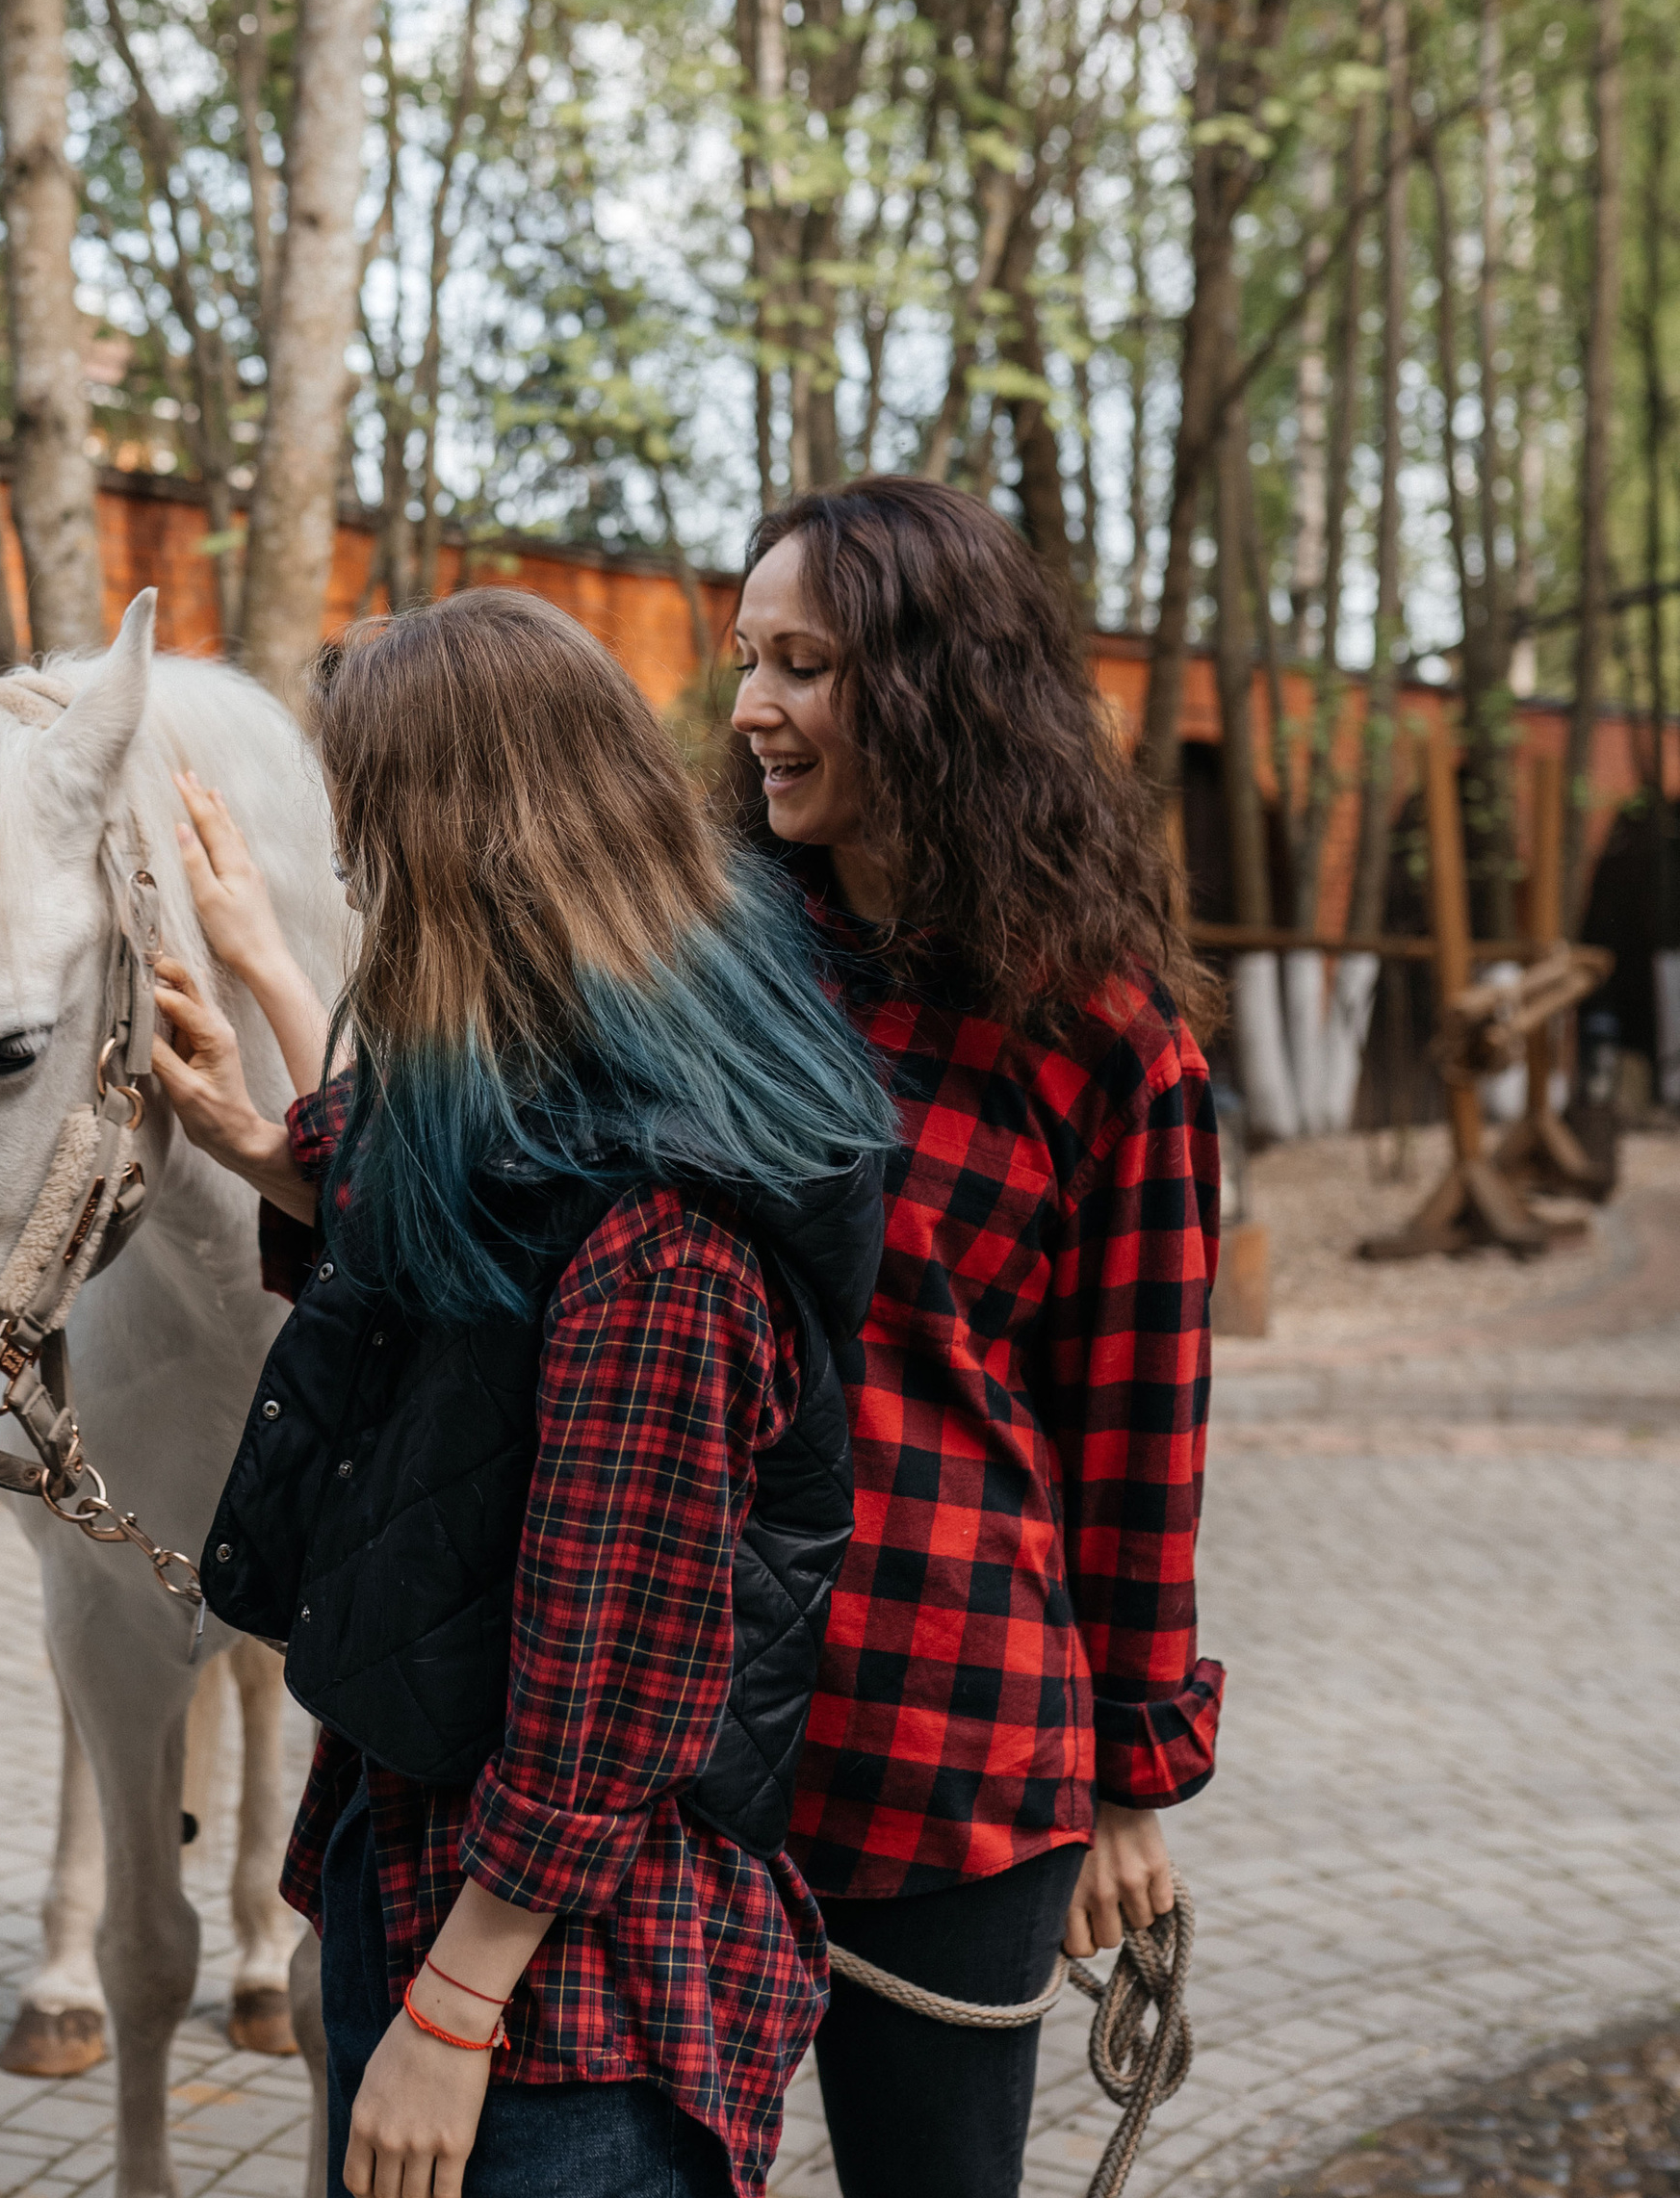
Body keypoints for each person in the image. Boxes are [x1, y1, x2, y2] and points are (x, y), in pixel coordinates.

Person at [143, 589, 892, 2198]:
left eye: (370, 838)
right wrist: (267, 1146)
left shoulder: (662, 1242)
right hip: (445, 1888)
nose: (357, 884)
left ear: (469, 856)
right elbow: (473, 1213)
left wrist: (455, 2006)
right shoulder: (566, 1102)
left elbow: (612, 1678)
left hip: (567, 2004)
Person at [728, 478, 1225, 2198]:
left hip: (942, 1742)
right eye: (747, 659)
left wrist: (1130, 1780)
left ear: (937, 689)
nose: (752, 708)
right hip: (677, 1716)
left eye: (803, 665)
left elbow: (1138, 1447)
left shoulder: (1108, 1040)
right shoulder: (703, 961)